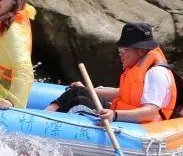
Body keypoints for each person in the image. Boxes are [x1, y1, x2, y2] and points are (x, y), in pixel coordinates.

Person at [46, 22, 175, 123]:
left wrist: (115, 115)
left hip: (142, 124)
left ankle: (44, 125)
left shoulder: (156, 73)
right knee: (78, 92)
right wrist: (88, 90)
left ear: (142, 51)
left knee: (80, 102)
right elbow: (122, 93)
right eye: (120, 50)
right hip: (121, 113)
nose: (121, 55)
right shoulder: (137, 67)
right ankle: (44, 115)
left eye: (125, 50)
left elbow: (151, 112)